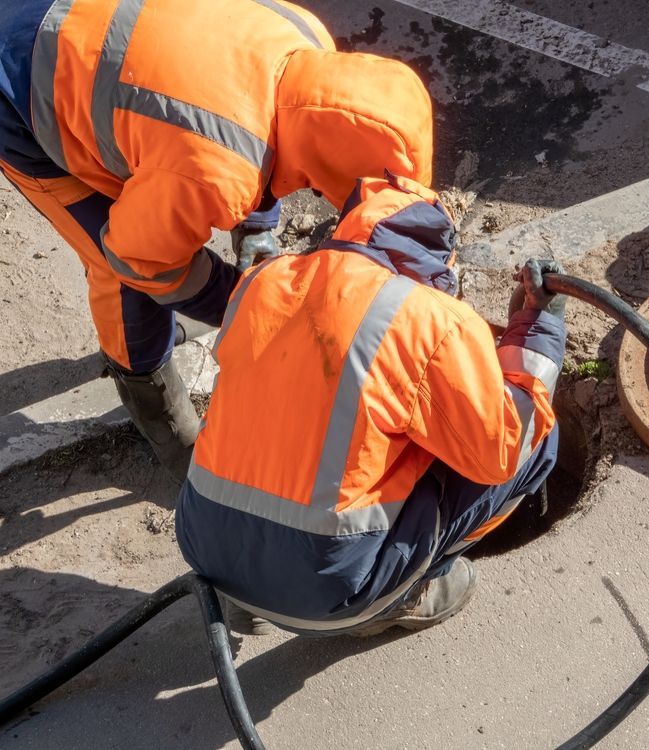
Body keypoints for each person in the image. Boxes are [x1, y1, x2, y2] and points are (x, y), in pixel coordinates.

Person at [0, 0, 433, 480]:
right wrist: (243, 302)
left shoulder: (305, 38)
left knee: (166, 198)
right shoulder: (214, 170)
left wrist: (257, 235)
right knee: (120, 268)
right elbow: (139, 258)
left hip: (94, 34)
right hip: (23, 82)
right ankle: (156, 409)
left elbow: (263, 130)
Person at [175, 173, 565, 635]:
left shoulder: (263, 282)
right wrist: (537, 329)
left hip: (207, 545)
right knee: (537, 437)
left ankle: (241, 594)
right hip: (329, 587)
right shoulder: (425, 318)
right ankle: (405, 596)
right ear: (438, 257)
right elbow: (505, 445)